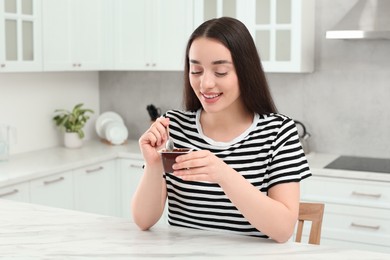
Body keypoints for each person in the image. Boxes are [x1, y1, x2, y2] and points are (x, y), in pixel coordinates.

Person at [132, 17, 311, 243]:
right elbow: (143, 220)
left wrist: (222, 173)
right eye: (196, 70)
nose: (205, 83)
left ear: (246, 72)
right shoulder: (174, 126)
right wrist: (153, 164)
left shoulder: (278, 132)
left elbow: (283, 230)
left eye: (220, 72)